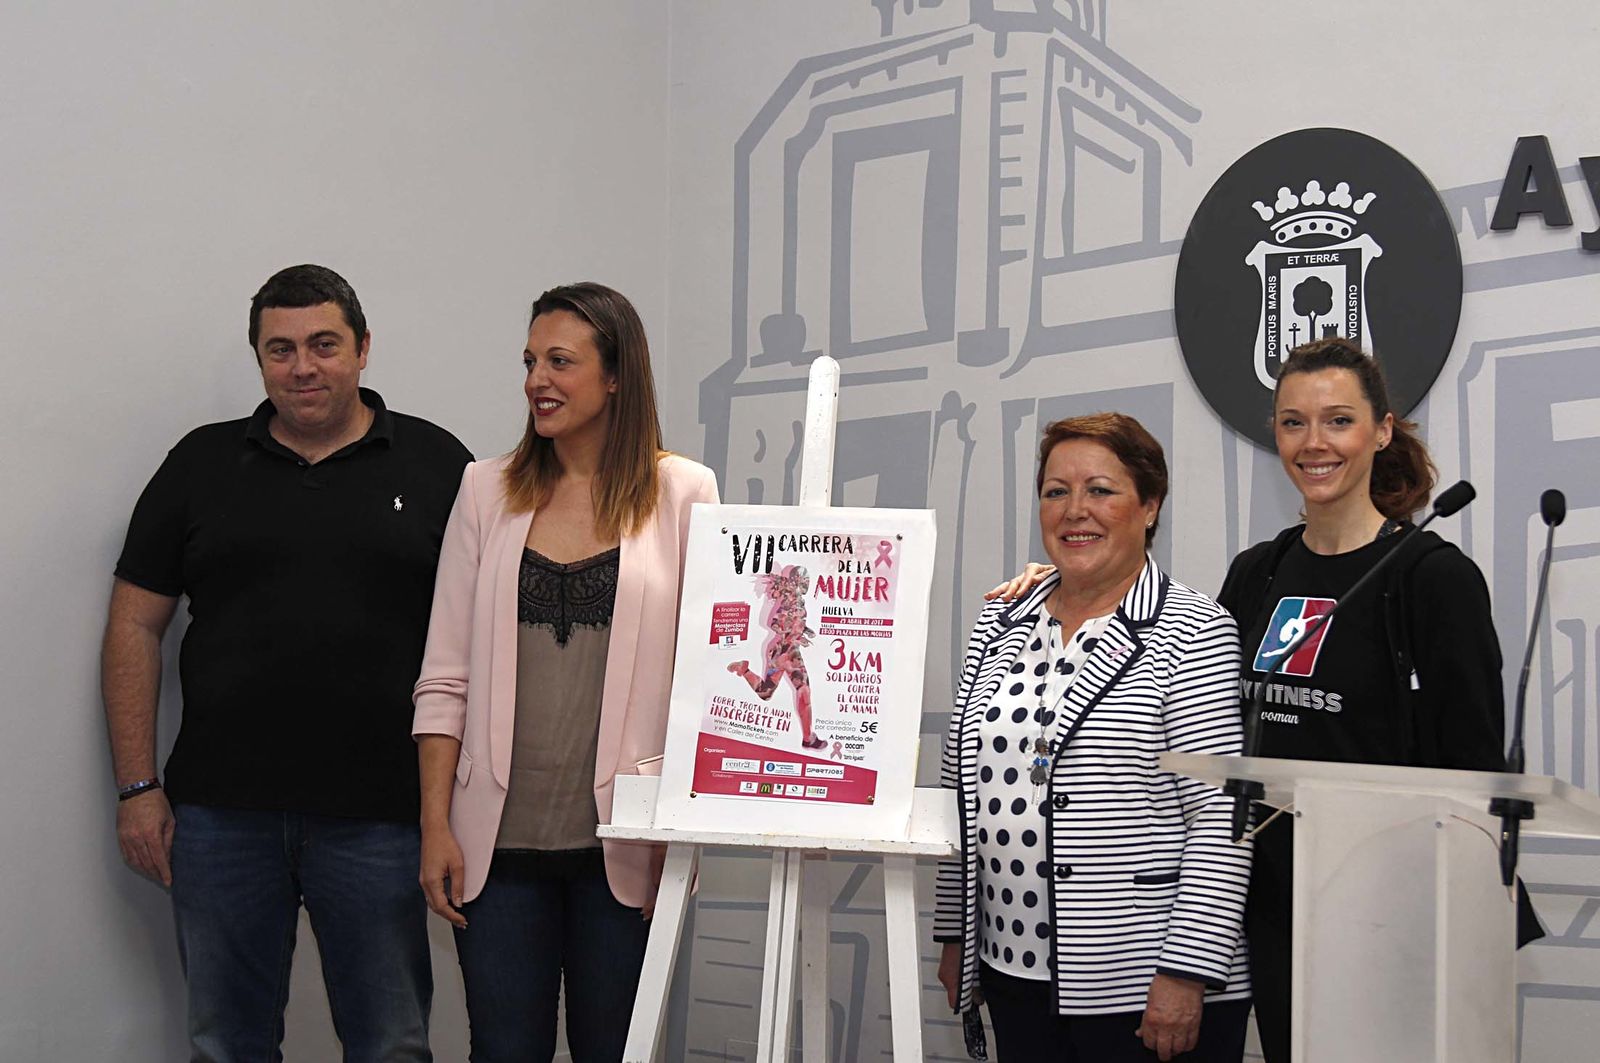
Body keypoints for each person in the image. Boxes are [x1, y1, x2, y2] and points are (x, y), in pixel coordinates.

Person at [989, 340, 1541, 1062]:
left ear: (1381, 431)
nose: (1314, 443)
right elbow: (1192, 699)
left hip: (1401, 914)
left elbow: (1474, 772)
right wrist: (1061, 582)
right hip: (1280, 909)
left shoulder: (1432, 577)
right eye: (1293, 422)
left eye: (1338, 420)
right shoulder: (1258, 573)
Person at [102, 263, 471, 1062]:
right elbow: (133, 623)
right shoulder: (199, 464)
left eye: (324, 344)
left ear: (364, 348)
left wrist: (453, 809)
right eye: (281, 349)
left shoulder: (440, 465)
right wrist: (137, 787)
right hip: (220, 818)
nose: (303, 366)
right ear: (260, 359)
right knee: (225, 1044)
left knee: (391, 1044)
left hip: (384, 815)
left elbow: (482, 641)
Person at [411, 282, 719, 1062]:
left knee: (615, 1050)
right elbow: (444, 677)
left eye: (559, 362)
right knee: (503, 1049)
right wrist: (435, 824)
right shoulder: (484, 489)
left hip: (628, 848)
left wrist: (683, 833)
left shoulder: (685, 491)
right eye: (529, 362)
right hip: (494, 850)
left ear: (615, 375)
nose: (537, 381)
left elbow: (706, 682)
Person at [935, 413, 1252, 1063]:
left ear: (1150, 505)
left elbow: (1222, 815)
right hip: (1010, 965)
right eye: (1056, 491)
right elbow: (956, 790)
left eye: (1101, 490)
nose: (1075, 510)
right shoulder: (999, 619)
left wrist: (1186, 970)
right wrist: (956, 933)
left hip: (1143, 980)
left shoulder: (1194, 629)